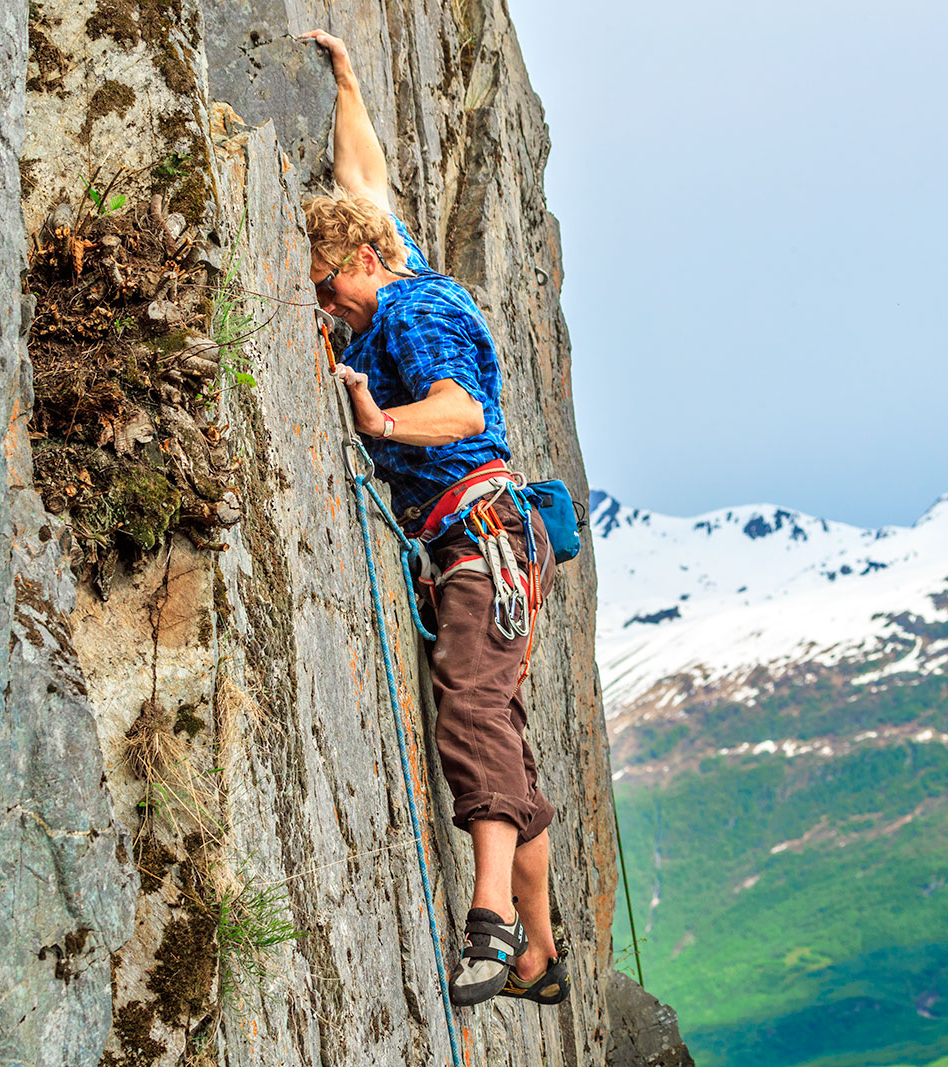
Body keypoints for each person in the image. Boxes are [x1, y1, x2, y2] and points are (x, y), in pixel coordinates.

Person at [299, 28, 568, 1008]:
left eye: (332, 290)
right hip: (489, 541)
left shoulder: (407, 312)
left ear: (367, 264)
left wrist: (380, 418)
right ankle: (540, 950)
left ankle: (491, 920)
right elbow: (362, 180)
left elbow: (461, 411)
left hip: (478, 541)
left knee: (472, 710)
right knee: (508, 743)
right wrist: (348, 82)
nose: (328, 309)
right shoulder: (391, 273)